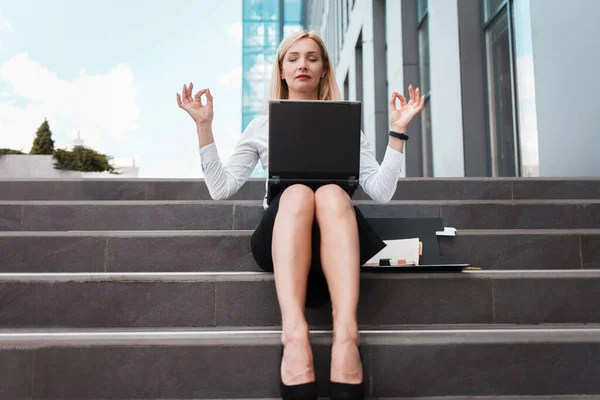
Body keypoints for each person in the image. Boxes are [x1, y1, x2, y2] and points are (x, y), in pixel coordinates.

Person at [177, 30, 424, 400]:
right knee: (295, 194)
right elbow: (221, 188)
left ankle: (347, 337)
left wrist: (398, 132)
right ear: (281, 70)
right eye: (293, 58)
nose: (302, 64)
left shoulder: (346, 126)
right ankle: (293, 337)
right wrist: (203, 126)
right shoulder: (261, 127)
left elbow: (382, 191)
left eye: (311, 57)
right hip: (282, 237)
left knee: (329, 194)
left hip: (335, 239)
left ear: (324, 69)